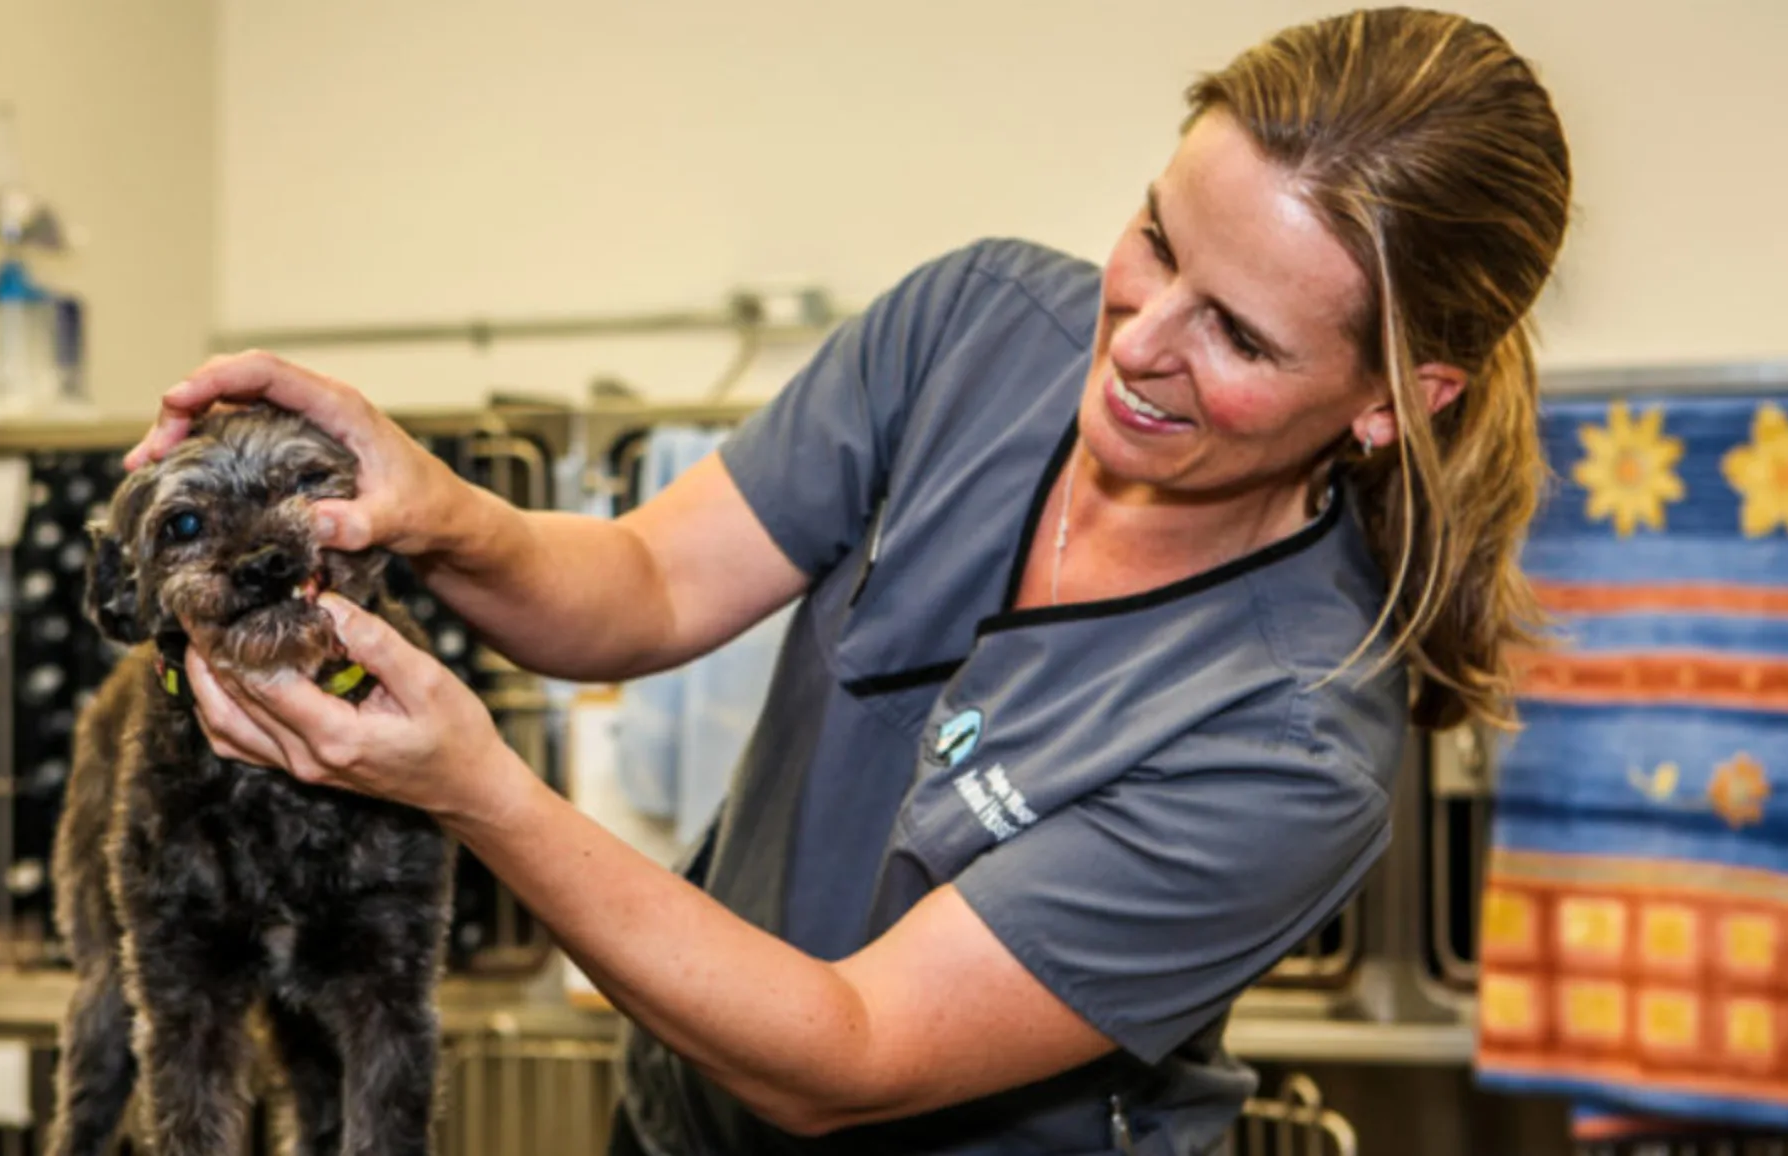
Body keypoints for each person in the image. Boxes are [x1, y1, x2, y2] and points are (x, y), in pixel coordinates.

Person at [125, 8, 1571, 1153]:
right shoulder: (977, 329)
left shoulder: (1293, 740)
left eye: (1240, 338)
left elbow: (852, 1056)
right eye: (1156, 238)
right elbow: (647, 584)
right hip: (682, 1118)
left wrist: (479, 793)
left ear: (1392, 400)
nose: (1138, 340)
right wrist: (442, 511)